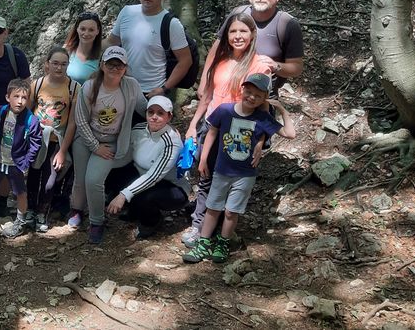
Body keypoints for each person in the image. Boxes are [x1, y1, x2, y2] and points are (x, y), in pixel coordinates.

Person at [182, 74, 296, 263]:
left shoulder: (262, 118)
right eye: (249, 92)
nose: (251, 97)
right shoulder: (225, 110)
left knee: (231, 211)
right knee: (212, 208)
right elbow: (212, 132)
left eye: (258, 95)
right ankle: (203, 244)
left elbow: (290, 134)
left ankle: (223, 243)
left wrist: (283, 110)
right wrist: (203, 159)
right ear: (242, 89)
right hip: (221, 170)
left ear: (264, 98)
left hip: (245, 175)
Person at [182, 13, 271, 246]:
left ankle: (222, 229)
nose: (238, 36)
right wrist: (193, 124)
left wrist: (261, 142)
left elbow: (263, 107)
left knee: (232, 179)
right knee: (205, 175)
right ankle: (199, 225)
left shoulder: (260, 65)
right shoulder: (220, 60)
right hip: (212, 125)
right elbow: (208, 96)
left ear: (252, 34)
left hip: (240, 131)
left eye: (243, 31)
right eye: (233, 31)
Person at [70, 46, 146, 243]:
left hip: (112, 141)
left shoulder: (131, 86)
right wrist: (95, 146)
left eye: (119, 65)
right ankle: (77, 209)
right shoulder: (90, 86)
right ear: (102, 65)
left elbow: (144, 108)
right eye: (111, 64)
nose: (115, 68)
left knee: (93, 180)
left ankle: (96, 222)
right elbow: (80, 119)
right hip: (86, 138)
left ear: (125, 68)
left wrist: (162, 117)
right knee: (80, 178)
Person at [203, 0, 304, 97]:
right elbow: (217, 50)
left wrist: (275, 66)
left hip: (261, 97)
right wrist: (205, 82)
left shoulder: (287, 24)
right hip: (225, 89)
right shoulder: (238, 14)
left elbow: (296, 67)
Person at [104, 96, 190, 240]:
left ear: (169, 117)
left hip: (172, 186)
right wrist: (104, 166)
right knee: (114, 173)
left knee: (147, 196)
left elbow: (153, 177)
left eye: (160, 113)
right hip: (142, 173)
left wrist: (123, 195)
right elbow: (127, 156)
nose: (154, 117)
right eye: (151, 112)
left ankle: (151, 222)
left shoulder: (171, 142)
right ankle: (134, 210)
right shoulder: (138, 129)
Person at [0, 79, 43, 239]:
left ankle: (20, 222)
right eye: (16, 96)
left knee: (20, 192)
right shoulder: (1, 112)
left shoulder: (31, 120)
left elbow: (36, 142)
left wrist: (26, 161)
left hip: (16, 164)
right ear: (7, 97)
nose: (20, 101)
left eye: (24, 97)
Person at [107, 0, 193, 97]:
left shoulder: (171, 23)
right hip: (122, 86)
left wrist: (164, 89)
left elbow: (185, 60)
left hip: (151, 92)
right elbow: (111, 42)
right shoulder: (127, 12)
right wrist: (85, 48)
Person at [27, 47, 80, 233]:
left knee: (50, 180)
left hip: (57, 140)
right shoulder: (38, 84)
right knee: (33, 175)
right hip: (37, 138)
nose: (59, 67)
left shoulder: (74, 88)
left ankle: (43, 211)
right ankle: (30, 210)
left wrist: (63, 151)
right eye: (55, 63)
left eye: (63, 64)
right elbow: (28, 111)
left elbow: (72, 122)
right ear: (47, 64)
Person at [64, 12, 104, 85]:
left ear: (97, 31)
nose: (86, 33)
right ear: (77, 29)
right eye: (83, 29)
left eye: (91, 30)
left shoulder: (102, 57)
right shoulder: (66, 51)